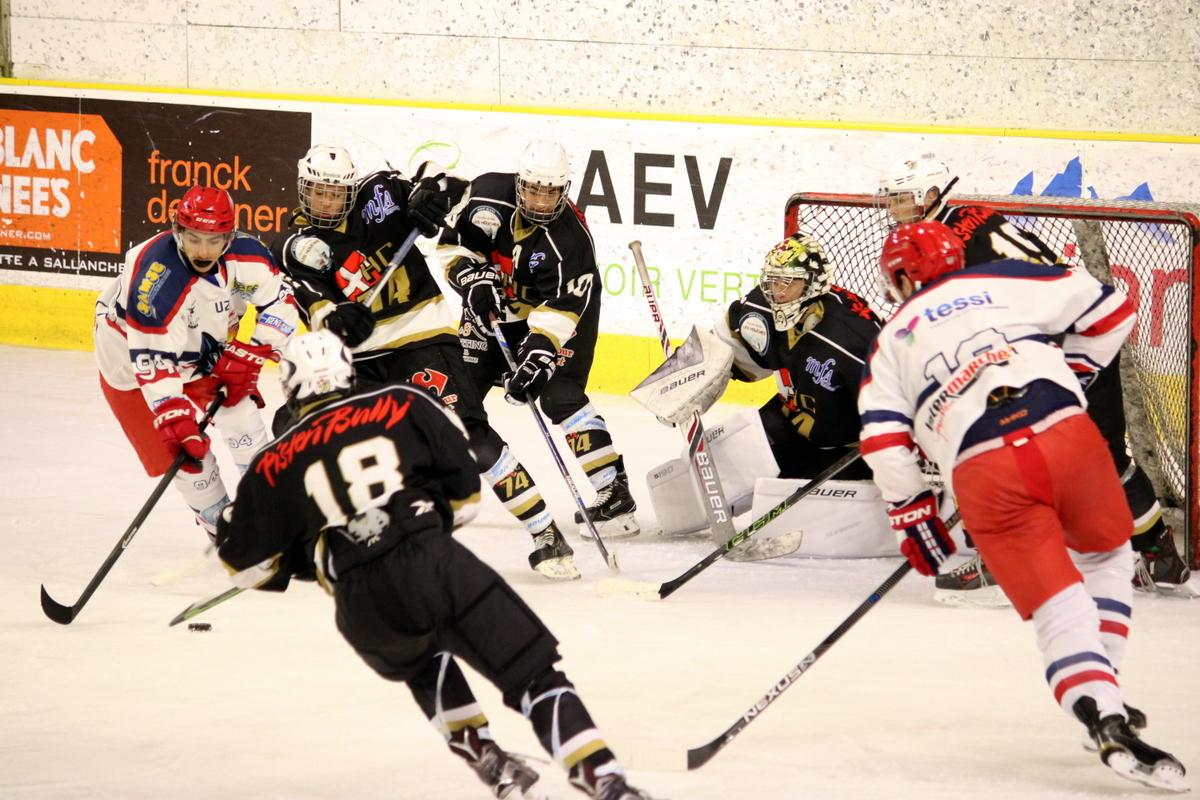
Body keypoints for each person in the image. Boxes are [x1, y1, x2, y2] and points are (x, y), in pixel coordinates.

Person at [214, 330, 655, 800]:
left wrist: (317, 557)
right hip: (432, 561)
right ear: (348, 371)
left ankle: (491, 763)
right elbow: (465, 499)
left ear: (289, 386)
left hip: (358, 602)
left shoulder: (270, 463)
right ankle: (601, 778)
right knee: (534, 674)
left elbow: (250, 570)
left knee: (425, 662)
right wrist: (419, 520)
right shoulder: (400, 403)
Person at [859, 220, 1186, 792]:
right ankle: (1104, 691)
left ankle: (1102, 710)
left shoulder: (890, 341)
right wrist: (1075, 372)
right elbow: (1113, 310)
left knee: (1057, 607)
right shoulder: (1001, 278)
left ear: (901, 280)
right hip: (1066, 436)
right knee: (1107, 557)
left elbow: (883, 438)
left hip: (982, 472)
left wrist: (912, 511)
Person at [876, 155, 1191, 601]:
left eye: (902, 198)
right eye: (891, 199)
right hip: (1083, 330)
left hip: (1044, 348)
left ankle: (998, 562)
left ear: (930, 195)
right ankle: (1161, 555)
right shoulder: (971, 217)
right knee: (1102, 454)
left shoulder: (939, 243)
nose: (894, 208)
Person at [276, 144, 578, 581]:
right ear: (303, 189)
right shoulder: (293, 247)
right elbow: (319, 311)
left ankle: (545, 531)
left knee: (470, 438)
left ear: (350, 190)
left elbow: (449, 183)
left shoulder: (379, 194)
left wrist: (433, 195)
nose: (326, 202)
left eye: (334, 193)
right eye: (317, 192)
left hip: (423, 341)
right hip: (359, 362)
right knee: (301, 429)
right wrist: (339, 322)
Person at [437, 140, 638, 548]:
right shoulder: (486, 195)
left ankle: (614, 492)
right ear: (519, 182)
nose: (541, 201)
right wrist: (472, 280)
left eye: (551, 192)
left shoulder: (571, 240)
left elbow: (563, 307)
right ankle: (435, 487)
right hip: (493, 308)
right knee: (458, 396)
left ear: (564, 190)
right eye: (533, 190)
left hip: (559, 312)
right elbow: (452, 246)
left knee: (559, 395)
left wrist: (538, 354)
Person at [94, 185, 299, 540]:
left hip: (204, 352)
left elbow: (282, 301)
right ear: (177, 231)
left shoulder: (248, 258)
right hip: (131, 365)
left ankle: (268, 510)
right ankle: (220, 527)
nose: (203, 251)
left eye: (214, 240)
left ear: (229, 237)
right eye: (194, 238)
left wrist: (252, 351)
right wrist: (173, 413)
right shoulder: (155, 281)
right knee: (188, 459)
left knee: (242, 420)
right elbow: (152, 358)